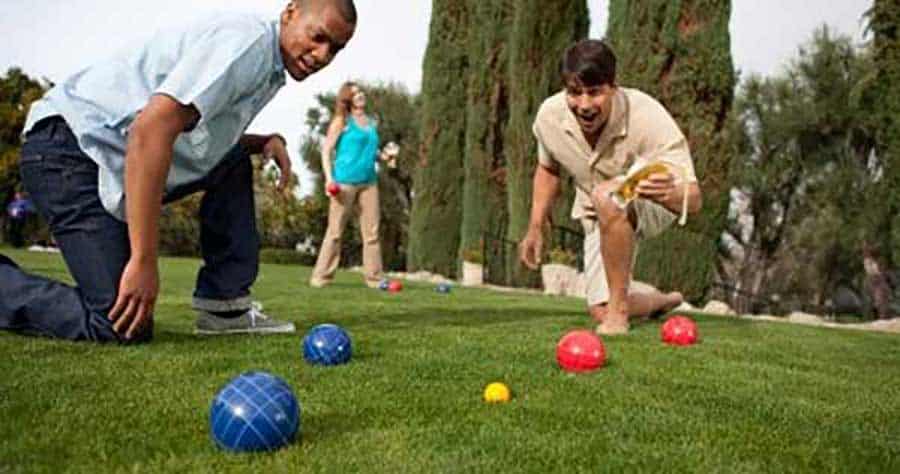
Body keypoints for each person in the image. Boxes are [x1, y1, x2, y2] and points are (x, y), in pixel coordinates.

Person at [0, 0, 357, 343]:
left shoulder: (269, 66)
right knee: (118, 322)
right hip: (69, 150)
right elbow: (150, 130)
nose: (322, 55)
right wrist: (143, 260)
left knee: (231, 159)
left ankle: (225, 308)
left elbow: (192, 134)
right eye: (318, 37)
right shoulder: (248, 45)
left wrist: (261, 141)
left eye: (336, 49)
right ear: (290, 13)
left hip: (105, 154)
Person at [518, 39, 703, 335]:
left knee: (608, 195)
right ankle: (660, 301)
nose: (584, 105)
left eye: (595, 92)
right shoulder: (549, 117)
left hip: (651, 201)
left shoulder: (647, 115)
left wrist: (669, 192)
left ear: (613, 87)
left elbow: (694, 199)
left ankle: (619, 315)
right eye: (574, 92)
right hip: (596, 208)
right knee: (599, 308)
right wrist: (536, 225)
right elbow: (548, 168)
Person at [309, 82, 397, 288]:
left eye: (361, 92)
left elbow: (371, 151)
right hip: (344, 182)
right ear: (347, 98)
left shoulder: (371, 122)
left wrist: (385, 157)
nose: (360, 95)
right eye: (355, 93)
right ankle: (321, 276)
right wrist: (329, 179)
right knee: (335, 231)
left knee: (372, 232)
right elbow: (326, 151)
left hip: (369, 181)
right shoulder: (342, 122)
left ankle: (374, 278)